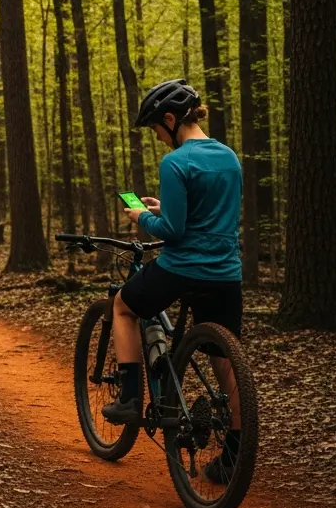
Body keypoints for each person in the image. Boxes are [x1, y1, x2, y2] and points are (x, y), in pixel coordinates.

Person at [104, 78, 245, 485]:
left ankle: (129, 399)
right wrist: (168, 207)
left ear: (170, 119)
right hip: (225, 274)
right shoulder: (229, 157)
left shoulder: (176, 162)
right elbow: (209, 216)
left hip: (183, 267)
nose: (158, 137)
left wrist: (143, 218)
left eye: (156, 129)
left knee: (123, 307)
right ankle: (235, 451)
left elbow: (174, 232)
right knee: (224, 361)